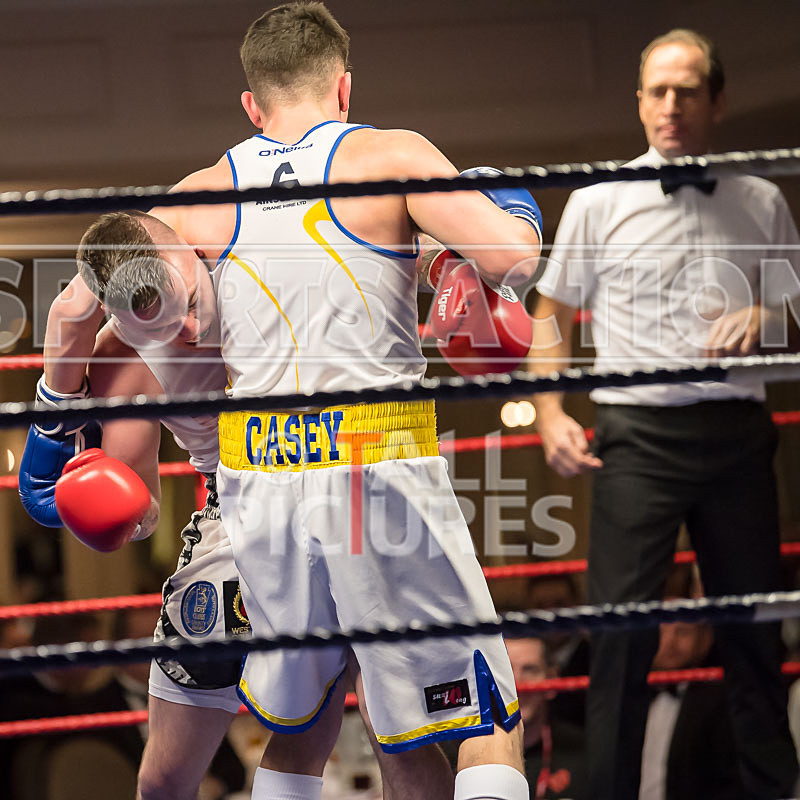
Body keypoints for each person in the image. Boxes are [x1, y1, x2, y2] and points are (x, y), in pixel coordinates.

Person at [61, 4, 542, 799]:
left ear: (251, 105)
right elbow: (514, 260)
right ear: (344, 87)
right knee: (481, 722)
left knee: (304, 726)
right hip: (376, 468)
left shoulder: (194, 197)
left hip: (261, 494)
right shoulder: (391, 155)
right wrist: (494, 223)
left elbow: (93, 307)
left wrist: (54, 407)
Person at [26, 211, 463, 800]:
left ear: (189, 249)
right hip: (235, 521)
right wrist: (119, 508)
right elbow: (144, 505)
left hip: (348, 490)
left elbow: (384, 220)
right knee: (165, 777)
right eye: (158, 327)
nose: (184, 330)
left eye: (184, 303)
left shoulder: (251, 242)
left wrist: (450, 265)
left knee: (399, 737)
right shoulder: (124, 361)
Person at [529, 28, 800, 800]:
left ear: (718, 101)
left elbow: (795, 311)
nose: (671, 106)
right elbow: (549, 311)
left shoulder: (762, 199)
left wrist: (763, 313)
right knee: (620, 641)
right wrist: (548, 411)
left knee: (752, 635)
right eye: (657, 91)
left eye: (687, 90)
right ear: (639, 102)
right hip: (636, 436)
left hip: (737, 434)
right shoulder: (598, 199)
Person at [505, 637, 586, 800]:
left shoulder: (583, 752)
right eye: (506, 670)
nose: (517, 684)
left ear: (551, 681)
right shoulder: (460, 752)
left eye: (530, 670)